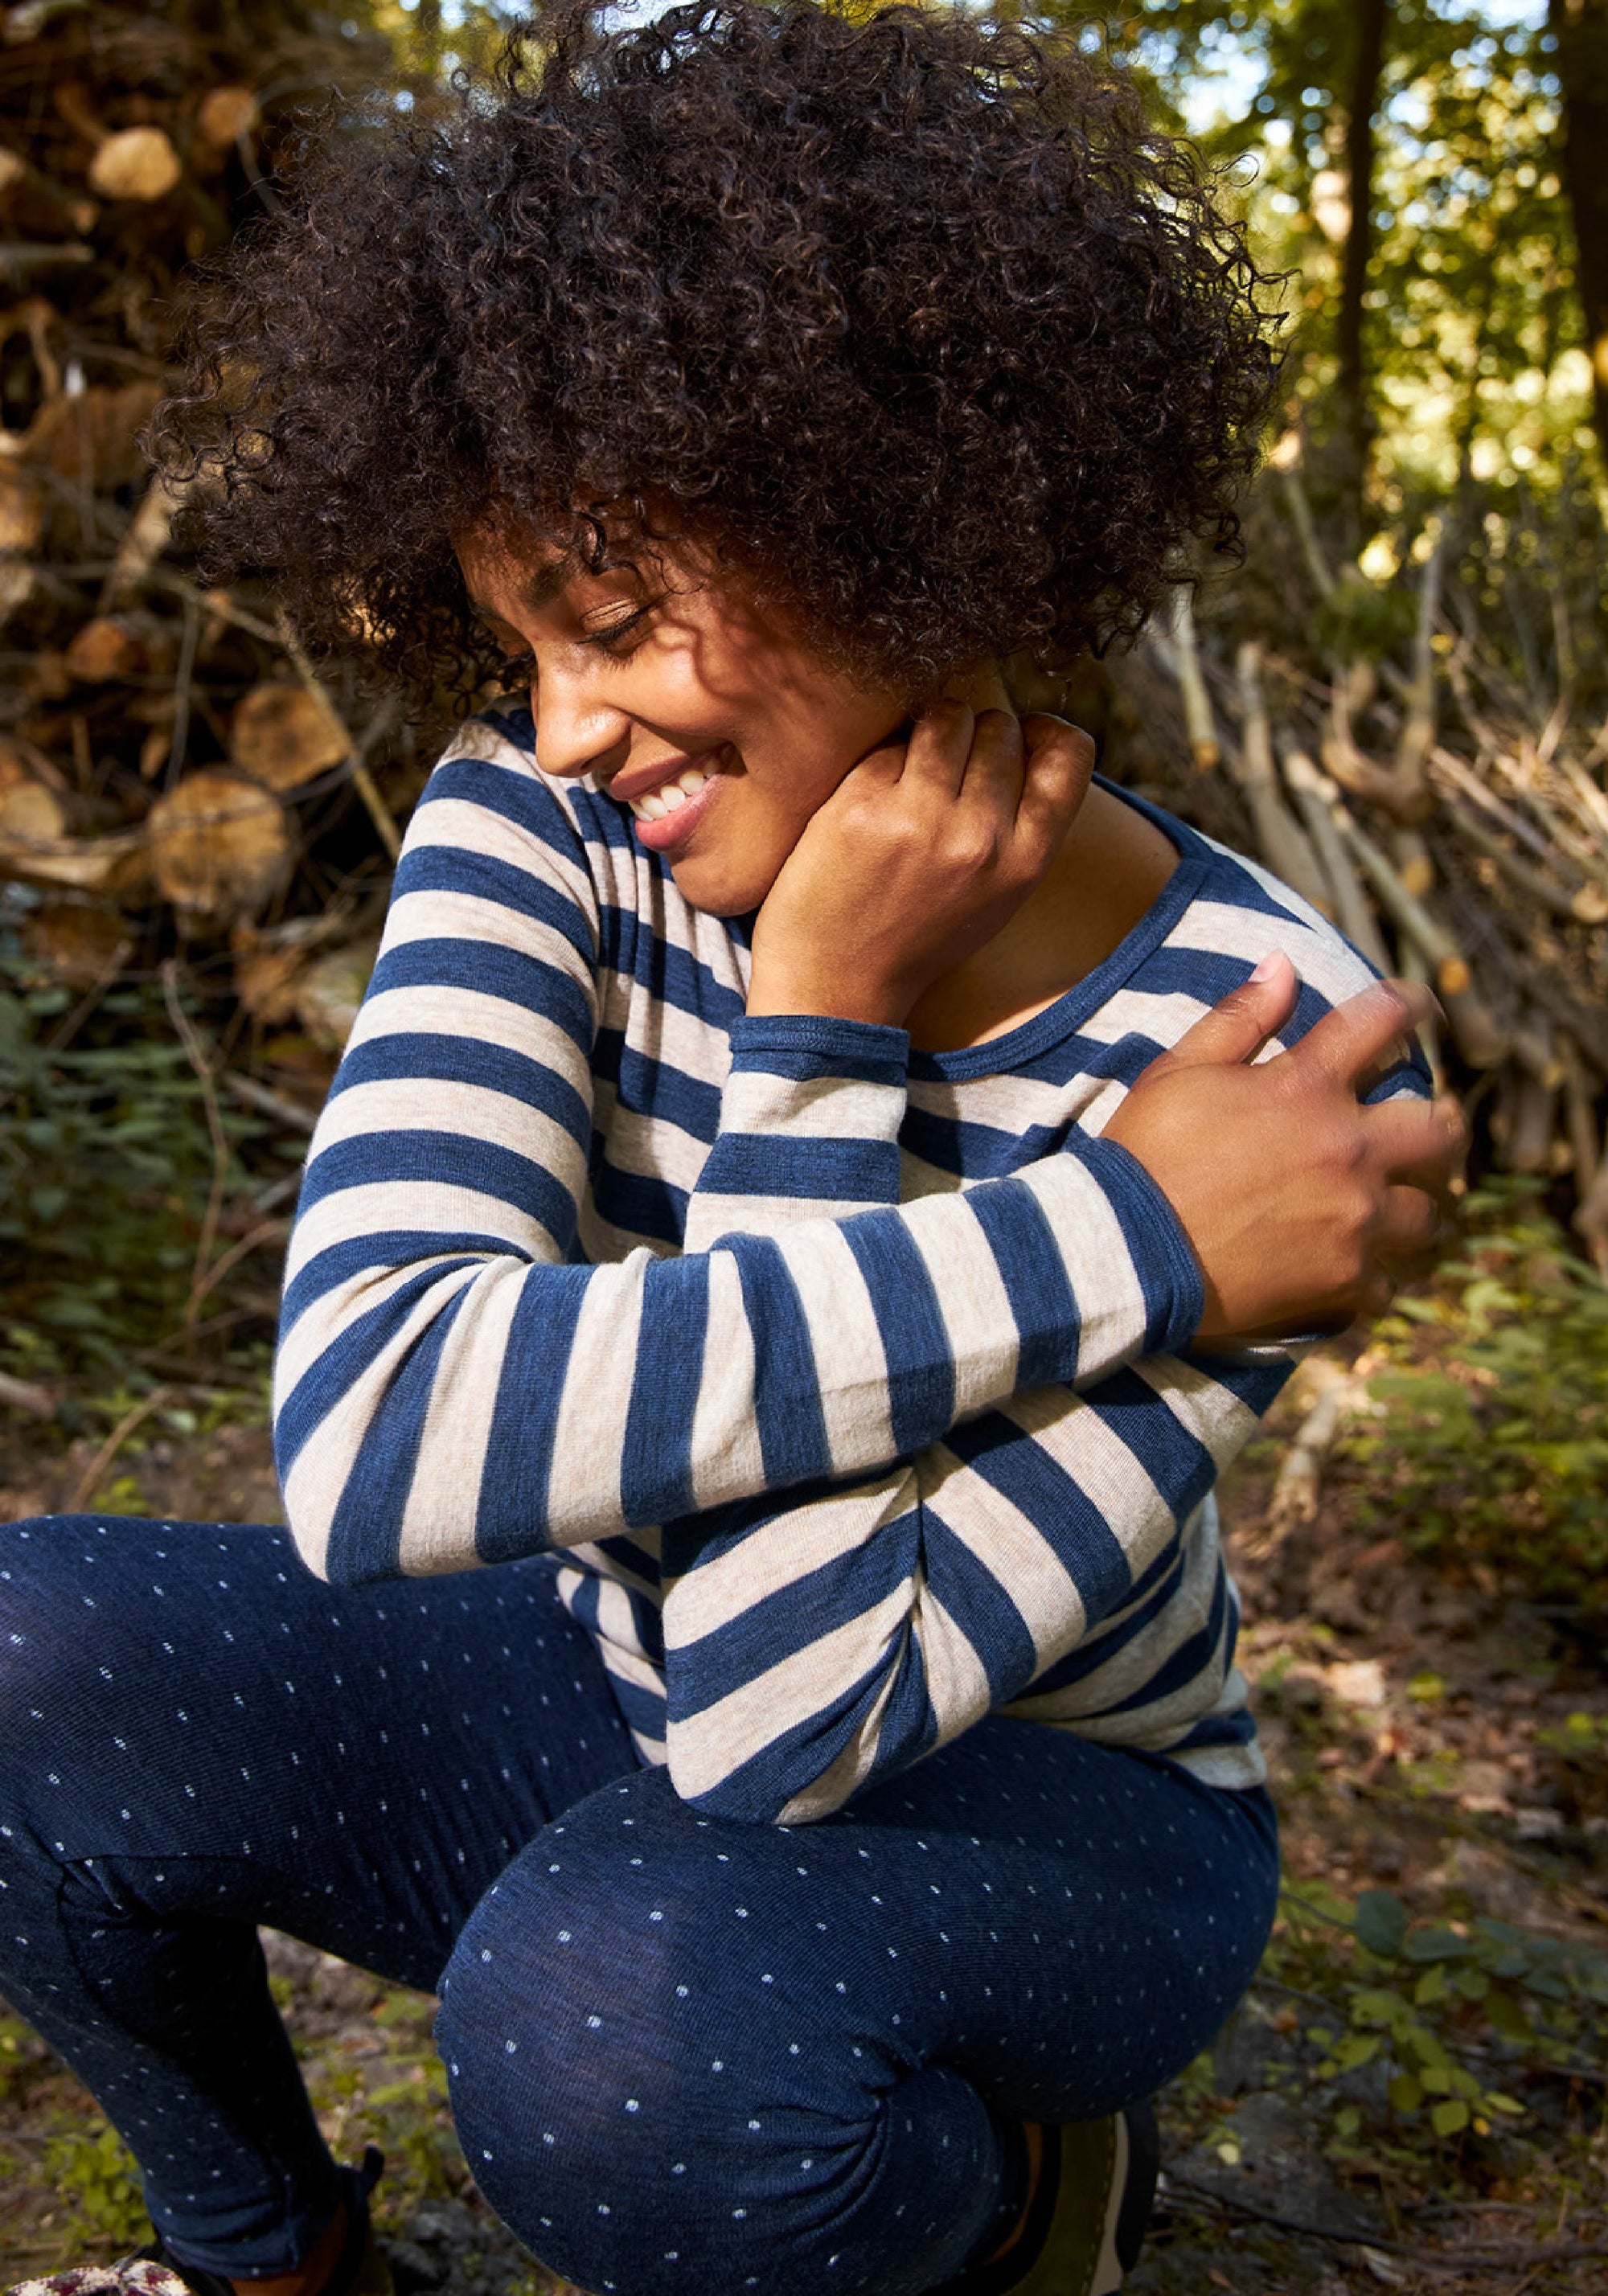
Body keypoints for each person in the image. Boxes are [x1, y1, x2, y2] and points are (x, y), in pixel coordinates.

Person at [2, 9, 1463, 2296]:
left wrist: (812, 1048)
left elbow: (791, 1722)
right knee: (18, 1647)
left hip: (1051, 1806)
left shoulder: (1279, 1068)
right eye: (519, 645)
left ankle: (999, 2216)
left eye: (615, 625)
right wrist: (1120, 1223)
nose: (567, 725)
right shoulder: (545, 823)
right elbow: (374, 1436)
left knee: (617, 2016)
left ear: (896, 514)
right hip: (608, 1662)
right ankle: (284, 2268)